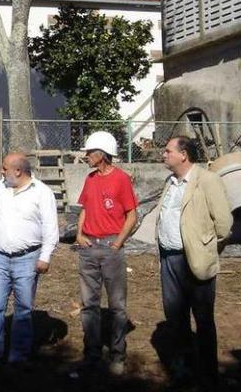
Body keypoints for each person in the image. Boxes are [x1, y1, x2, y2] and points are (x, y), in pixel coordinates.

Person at [157, 136, 232, 391]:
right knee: (175, 319)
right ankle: (183, 372)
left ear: (183, 155)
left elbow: (224, 224)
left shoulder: (207, 181)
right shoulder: (171, 182)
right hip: (169, 259)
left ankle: (209, 376)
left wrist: (207, 248)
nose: (163, 155)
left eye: (168, 151)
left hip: (195, 261)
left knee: (203, 320)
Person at [0, 152, 59, 371]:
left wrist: (45, 257)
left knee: (23, 310)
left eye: (4, 168)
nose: (1, 171)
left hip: (27, 258)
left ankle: (18, 355)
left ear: (18, 171)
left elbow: (50, 227)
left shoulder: (42, 193)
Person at [72, 131, 138, 377]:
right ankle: (92, 354)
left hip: (111, 248)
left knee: (116, 305)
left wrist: (118, 243)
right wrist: (79, 234)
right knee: (89, 304)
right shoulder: (90, 179)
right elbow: (85, 209)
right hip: (88, 248)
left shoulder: (121, 179)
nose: (86, 156)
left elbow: (132, 214)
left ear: (101, 155)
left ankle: (118, 354)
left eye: (89, 152)